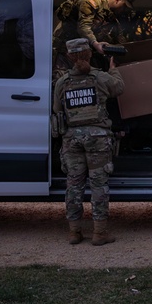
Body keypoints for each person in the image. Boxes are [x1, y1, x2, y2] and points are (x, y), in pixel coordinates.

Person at [52, 38, 125, 246]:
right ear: (89, 54)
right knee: (98, 185)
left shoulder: (62, 82)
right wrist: (113, 69)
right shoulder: (100, 78)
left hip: (72, 140)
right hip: (98, 139)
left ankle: (75, 233)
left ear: (69, 57)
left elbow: (57, 110)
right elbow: (119, 87)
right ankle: (99, 233)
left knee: (74, 185)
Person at [53, 0, 135, 57]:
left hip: (79, 51)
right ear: (117, 0)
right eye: (124, 6)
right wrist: (96, 44)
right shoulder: (91, 2)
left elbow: (118, 34)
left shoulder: (108, 14)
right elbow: (83, 27)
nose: (124, 10)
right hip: (63, 48)